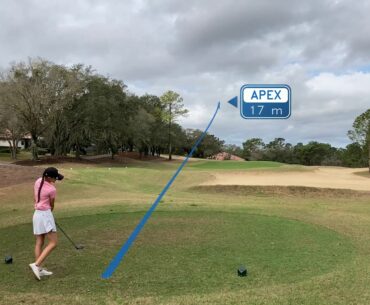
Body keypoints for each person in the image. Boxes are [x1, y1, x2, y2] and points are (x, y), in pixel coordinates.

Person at [29, 167, 64, 280]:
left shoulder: (38, 181)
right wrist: (49, 215)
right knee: (53, 242)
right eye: (55, 177)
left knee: (39, 241)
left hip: (37, 214)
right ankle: (36, 264)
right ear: (49, 177)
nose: (56, 179)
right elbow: (52, 205)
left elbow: (35, 198)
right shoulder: (52, 189)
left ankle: (39, 269)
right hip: (45, 214)